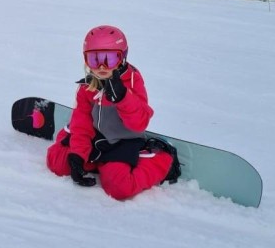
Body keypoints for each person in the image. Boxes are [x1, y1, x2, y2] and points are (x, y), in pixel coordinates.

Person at [46, 25, 181, 200]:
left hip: (122, 140)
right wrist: (78, 155)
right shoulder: (87, 86)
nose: (101, 66)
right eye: (94, 59)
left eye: (109, 59)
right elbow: (82, 123)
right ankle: (94, 160)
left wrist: (123, 98)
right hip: (96, 137)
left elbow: (139, 123)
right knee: (57, 162)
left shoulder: (132, 80)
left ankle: (161, 159)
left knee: (119, 188)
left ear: (122, 57)